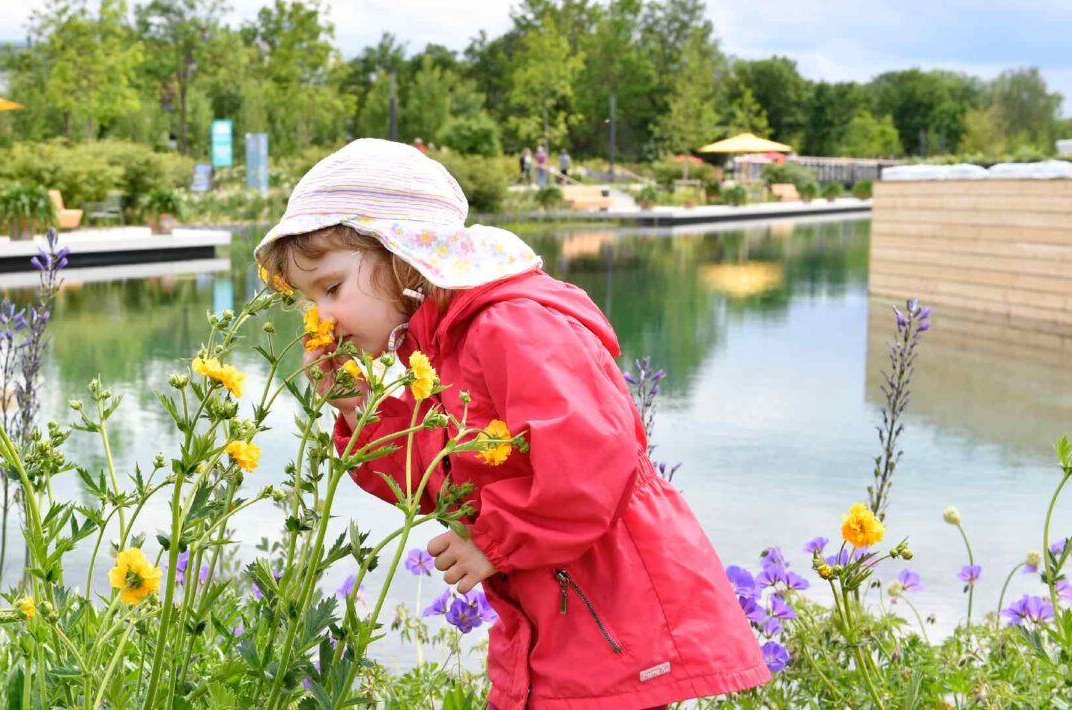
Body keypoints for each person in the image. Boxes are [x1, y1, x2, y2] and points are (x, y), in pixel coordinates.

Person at [255, 139, 769, 709]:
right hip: (550, 627)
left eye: (332, 288)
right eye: (309, 301)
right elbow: (434, 485)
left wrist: (491, 540)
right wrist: (355, 407)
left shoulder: (511, 324)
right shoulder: (442, 347)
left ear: (404, 256)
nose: (321, 318)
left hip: (613, 617)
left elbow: (591, 460)